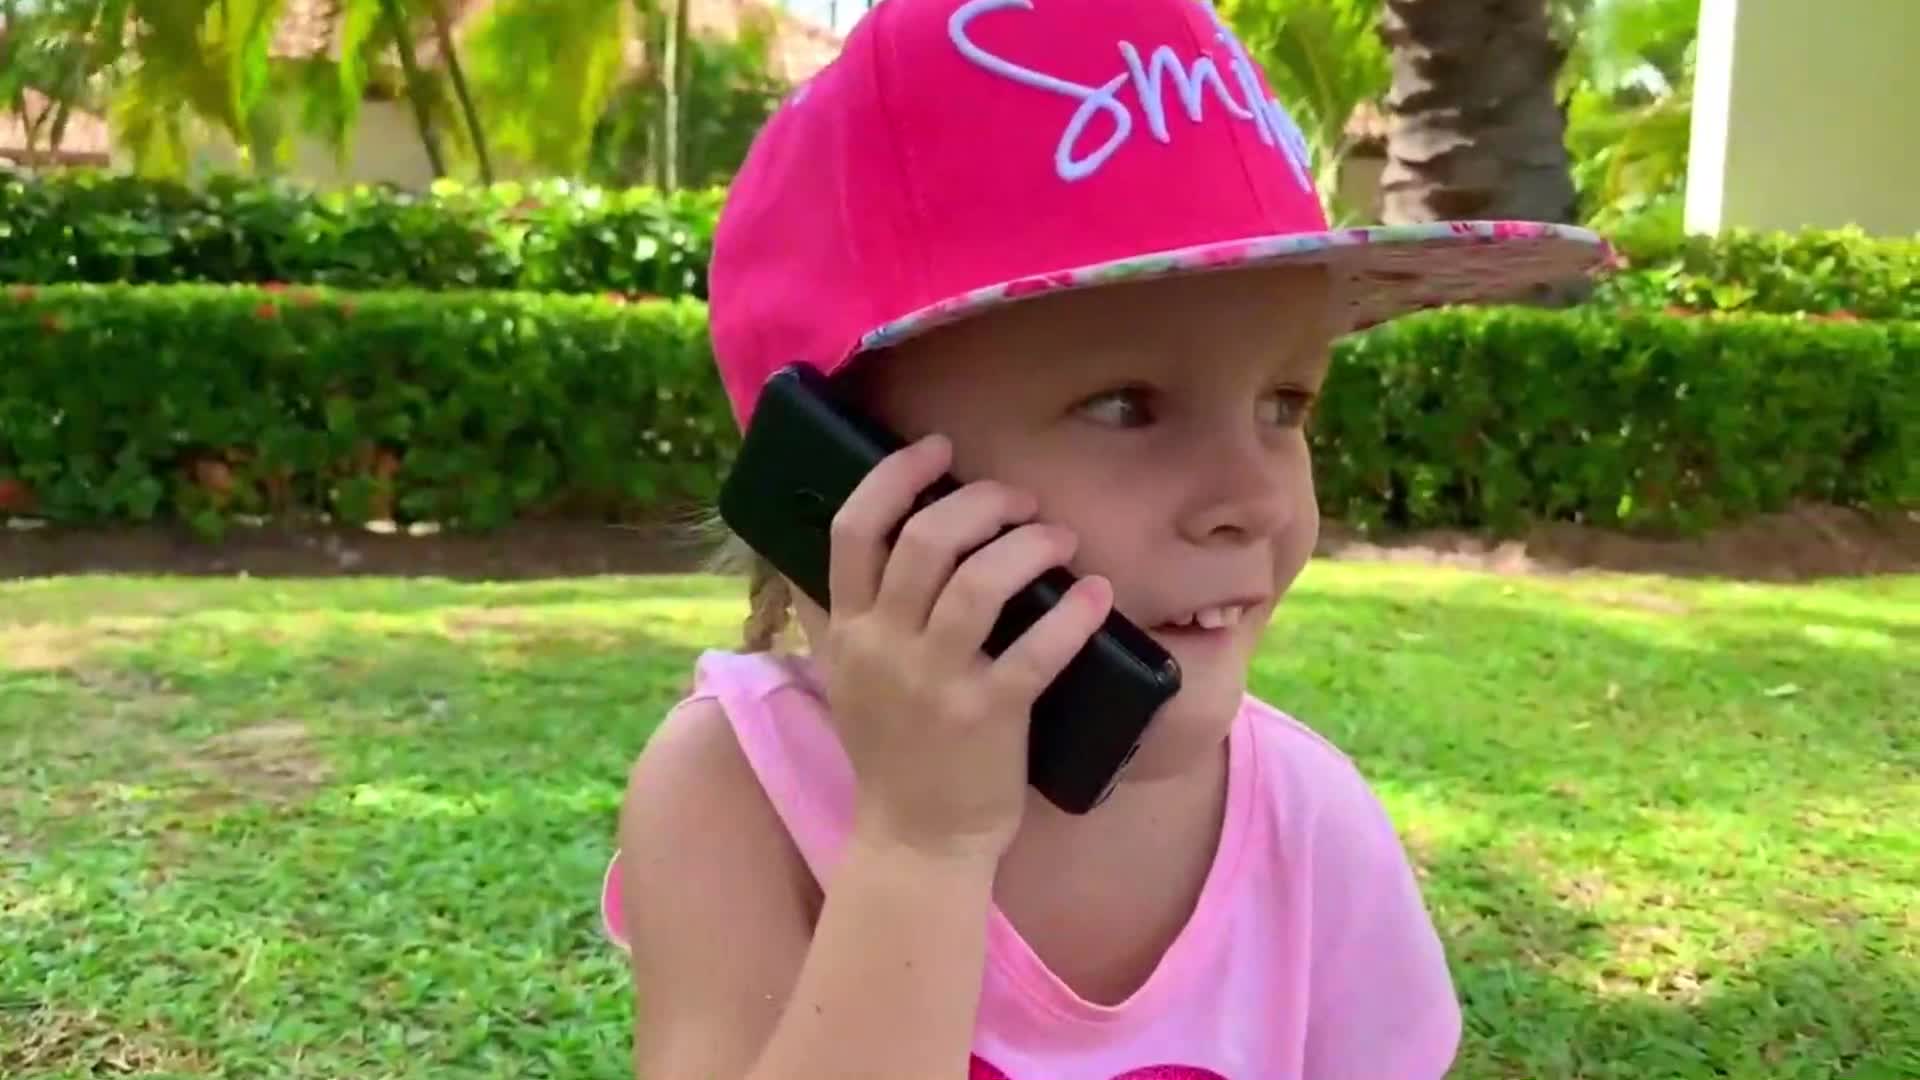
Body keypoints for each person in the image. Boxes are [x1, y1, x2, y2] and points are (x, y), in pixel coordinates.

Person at [600, 0, 1609, 1077]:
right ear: (847, 472)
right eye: (1127, 406)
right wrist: (918, 845)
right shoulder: (736, 792)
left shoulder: (1312, 831)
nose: (1250, 499)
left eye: (1285, 404)